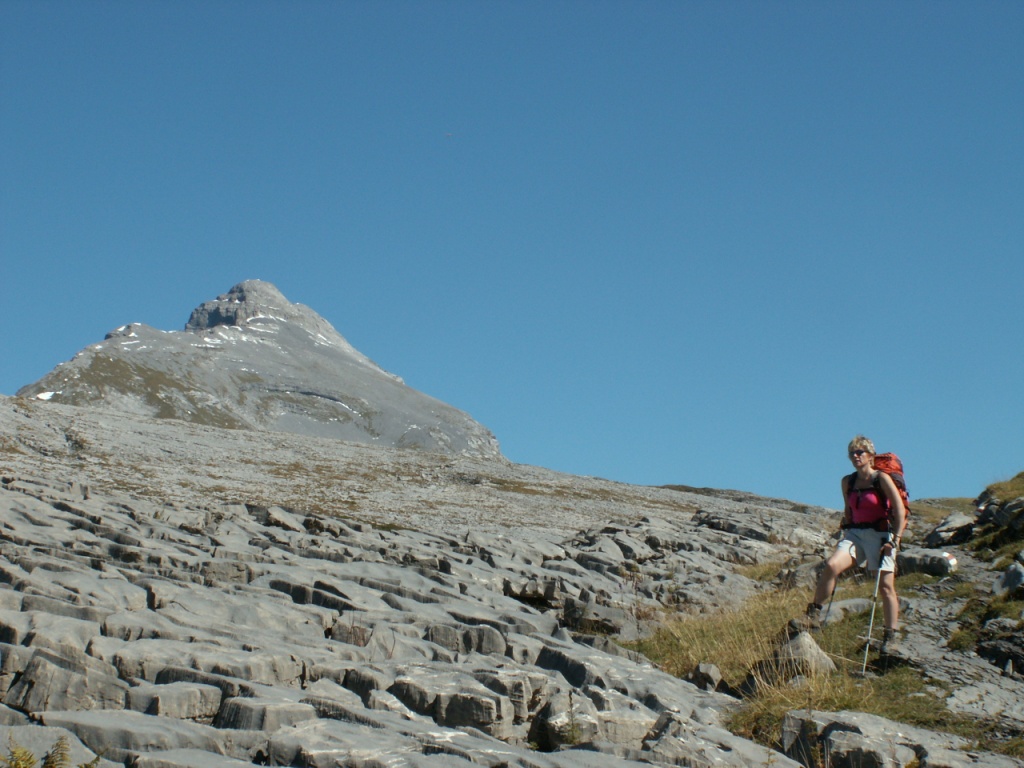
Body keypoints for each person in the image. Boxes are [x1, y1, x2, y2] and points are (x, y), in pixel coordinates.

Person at [794, 435, 906, 652]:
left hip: (881, 536)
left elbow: (899, 510)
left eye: (860, 452)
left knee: (885, 587)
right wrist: (845, 527)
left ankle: (891, 634)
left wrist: (895, 540)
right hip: (855, 534)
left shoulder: (882, 479)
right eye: (852, 453)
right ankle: (813, 614)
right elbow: (848, 509)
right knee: (831, 565)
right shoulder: (848, 482)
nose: (855, 456)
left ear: (870, 455)